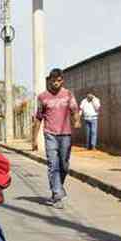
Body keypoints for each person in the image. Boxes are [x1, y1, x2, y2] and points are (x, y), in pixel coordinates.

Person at [35, 68, 80, 209]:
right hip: (50, 134)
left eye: (59, 80)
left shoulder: (68, 94)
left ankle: (58, 186)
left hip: (65, 134)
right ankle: (57, 193)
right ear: (49, 80)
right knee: (53, 164)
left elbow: (75, 110)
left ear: (62, 80)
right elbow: (38, 118)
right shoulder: (42, 97)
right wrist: (34, 138)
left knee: (64, 165)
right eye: (53, 80)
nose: (56, 83)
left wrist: (77, 120)